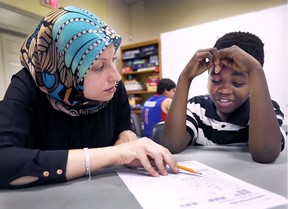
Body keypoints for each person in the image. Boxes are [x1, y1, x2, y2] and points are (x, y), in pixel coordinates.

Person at [0, 6, 179, 189]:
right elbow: (4, 161)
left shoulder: (113, 88)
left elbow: (122, 125)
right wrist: (116, 154)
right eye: (99, 67)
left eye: (113, 61)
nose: (116, 77)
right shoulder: (27, 86)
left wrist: (127, 135)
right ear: (66, 67)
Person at [162, 31, 286, 163]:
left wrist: (256, 70)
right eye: (215, 80)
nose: (225, 90)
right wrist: (185, 78)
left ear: (254, 83)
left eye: (237, 83)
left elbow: (265, 154)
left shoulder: (267, 110)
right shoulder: (197, 107)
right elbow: (171, 145)